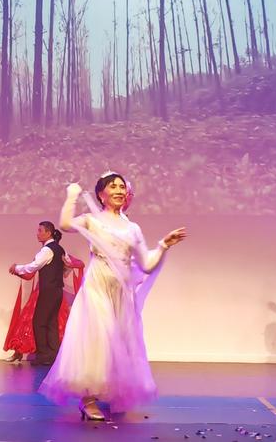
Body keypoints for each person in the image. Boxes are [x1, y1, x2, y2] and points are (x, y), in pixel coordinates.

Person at [39, 173, 187, 421]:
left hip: (121, 293)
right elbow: (65, 224)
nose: (119, 190)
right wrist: (72, 195)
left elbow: (146, 264)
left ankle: (111, 392)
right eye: (113, 186)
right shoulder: (93, 220)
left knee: (119, 343)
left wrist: (163, 245)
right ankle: (88, 400)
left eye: (122, 187)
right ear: (101, 194)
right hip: (97, 287)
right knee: (98, 340)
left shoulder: (132, 228)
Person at [8, 221, 84, 366]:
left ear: (48, 233)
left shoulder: (47, 250)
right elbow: (67, 267)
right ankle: (53, 355)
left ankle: (43, 356)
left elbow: (34, 266)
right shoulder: (60, 249)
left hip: (48, 291)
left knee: (39, 322)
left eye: (40, 230)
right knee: (51, 323)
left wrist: (17, 268)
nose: (37, 233)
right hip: (57, 291)